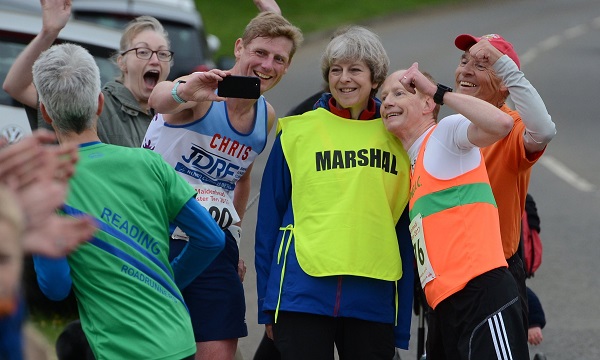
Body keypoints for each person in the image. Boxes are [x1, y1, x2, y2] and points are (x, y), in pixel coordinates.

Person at [30, 43, 226, 359]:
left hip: (118, 349)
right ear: (99, 103)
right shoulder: (149, 163)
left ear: (45, 113)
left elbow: (56, 288)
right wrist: (166, 280)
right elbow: (211, 238)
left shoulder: (47, 186)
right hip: (178, 339)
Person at [143, 9, 303, 360]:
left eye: (278, 59)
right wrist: (188, 90)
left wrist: (234, 238)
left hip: (215, 246)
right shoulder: (203, 91)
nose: (267, 65)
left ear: (287, 67)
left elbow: (241, 176)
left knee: (218, 350)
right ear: (239, 47)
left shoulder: (267, 116)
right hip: (158, 234)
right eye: (259, 53)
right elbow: (159, 99)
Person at [255, 26, 414, 360]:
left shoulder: (400, 137)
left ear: (375, 77)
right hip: (302, 295)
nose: (344, 79)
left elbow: (405, 229)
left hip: (373, 295)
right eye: (336, 70)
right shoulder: (297, 132)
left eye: (355, 69)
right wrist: (268, 307)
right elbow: (269, 222)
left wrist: (401, 318)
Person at [380, 62, 529, 359]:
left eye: (398, 93)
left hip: (480, 293)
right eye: (383, 97)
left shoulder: (445, 135)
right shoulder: (412, 163)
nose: (388, 102)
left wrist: (438, 93)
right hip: (444, 307)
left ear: (425, 103)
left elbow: (501, 124)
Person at [453, 33, 556, 331]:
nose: (467, 70)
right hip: (448, 272)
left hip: (493, 273)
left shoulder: (511, 128)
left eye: (483, 64)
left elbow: (544, 131)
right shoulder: (449, 128)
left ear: (504, 83)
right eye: (464, 61)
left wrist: (508, 68)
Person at [2, 0, 172, 147]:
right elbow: (16, 86)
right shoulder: (95, 104)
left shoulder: (174, 117)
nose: (155, 60)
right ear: (122, 62)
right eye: (143, 52)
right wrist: (49, 32)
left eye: (163, 54)